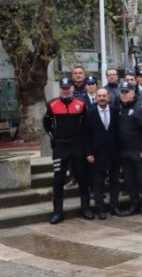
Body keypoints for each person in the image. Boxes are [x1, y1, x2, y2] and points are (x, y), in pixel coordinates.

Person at [44, 77, 92, 224]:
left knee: (83, 178)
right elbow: (47, 124)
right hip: (60, 147)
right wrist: (54, 138)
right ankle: (58, 212)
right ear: (60, 88)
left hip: (78, 147)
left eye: (68, 87)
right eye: (63, 88)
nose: (66, 90)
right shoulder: (52, 104)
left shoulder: (81, 104)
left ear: (72, 88)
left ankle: (86, 208)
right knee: (58, 180)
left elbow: (86, 127)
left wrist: (85, 146)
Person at [116, 81, 142, 216]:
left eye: (127, 92)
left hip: (138, 150)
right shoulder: (121, 107)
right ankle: (134, 204)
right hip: (125, 151)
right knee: (130, 180)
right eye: (122, 92)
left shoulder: (140, 107)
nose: (124, 95)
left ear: (133, 93)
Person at [83, 88, 120, 219]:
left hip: (114, 154)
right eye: (100, 96)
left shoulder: (116, 111)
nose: (102, 98)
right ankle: (100, 209)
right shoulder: (90, 113)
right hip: (97, 155)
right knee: (98, 183)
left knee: (114, 182)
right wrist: (88, 153)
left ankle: (114, 206)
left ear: (108, 97)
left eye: (104, 96)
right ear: (96, 98)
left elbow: (119, 132)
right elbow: (86, 135)